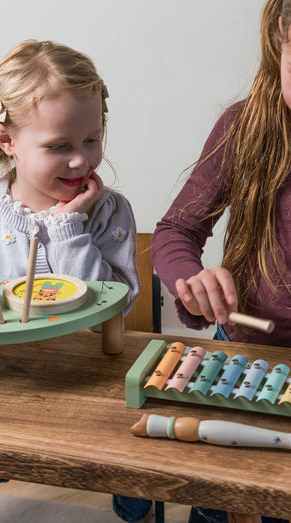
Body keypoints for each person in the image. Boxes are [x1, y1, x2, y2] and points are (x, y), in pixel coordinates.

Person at [0, 39, 139, 523]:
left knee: (143, 452)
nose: (81, 160)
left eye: (92, 139)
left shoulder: (108, 212)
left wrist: (68, 229)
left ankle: (137, 509)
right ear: (6, 140)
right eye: (59, 146)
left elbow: (110, 311)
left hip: (88, 380)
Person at [150, 0, 291, 522]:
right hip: (246, 357)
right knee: (221, 504)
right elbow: (176, 231)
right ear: (279, 41)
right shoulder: (245, 126)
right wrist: (192, 281)